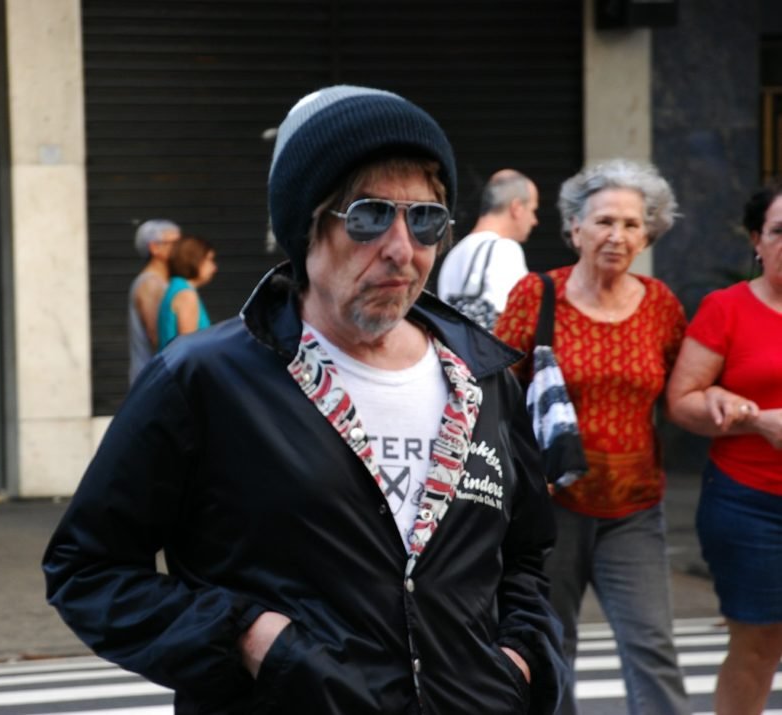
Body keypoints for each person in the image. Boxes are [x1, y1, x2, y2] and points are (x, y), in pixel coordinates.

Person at [44, 85, 566, 714]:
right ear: (305, 226)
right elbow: (88, 569)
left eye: (425, 219)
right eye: (371, 216)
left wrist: (520, 660)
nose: (402, 249)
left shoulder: (483, 379)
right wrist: (250, 637)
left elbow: (525, 555)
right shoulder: (206, 379)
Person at [495, 158, 690, 715]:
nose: (617, 235)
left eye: (632, 224)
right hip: (551, 511)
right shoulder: (537, 295)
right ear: (575, 228)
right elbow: (497, 395)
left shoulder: (660, 305)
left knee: (652, 646)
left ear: (648, 233)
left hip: (635, 510)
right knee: (553, 648)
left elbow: (681, 391)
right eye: (604, 221)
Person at [665, 182, 782, 715]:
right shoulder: (727, 307)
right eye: (780, 232)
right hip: (749, 506)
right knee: (758, 646)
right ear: (757, 240)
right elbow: (682, 403)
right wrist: (756, 421)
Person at [437, 169, 538, 328]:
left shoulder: (455, 253)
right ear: (516, 207)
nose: (534, 221)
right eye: (533, 210)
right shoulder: (505, 250)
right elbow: (513, 320)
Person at [128, 219, 180, 383]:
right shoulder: (151, 284)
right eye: (175, 244)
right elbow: (156, 335)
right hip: (153, 380)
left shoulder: (162, 283)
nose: (181, 250)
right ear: (154, 247)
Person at [156, 235, 217, 351]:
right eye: (209, 260)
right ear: (194, 259)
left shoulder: (175, 287)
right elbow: (189, 350)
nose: (214, 268)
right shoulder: (186, 295)